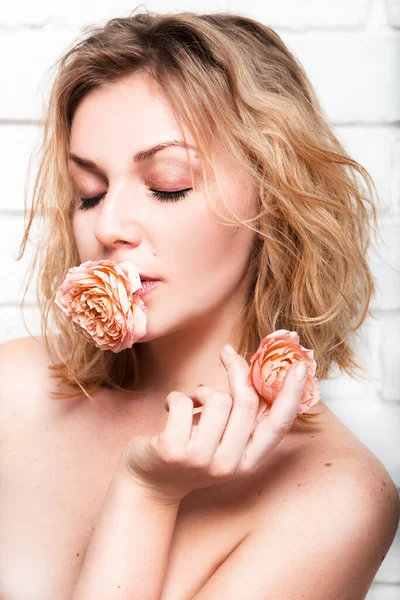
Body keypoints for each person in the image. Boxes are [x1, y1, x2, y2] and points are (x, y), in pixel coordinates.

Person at [0, 8, 398, 600]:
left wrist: (147, 493)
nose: (109, 225)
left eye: (169, 184)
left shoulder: (335, 496)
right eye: (90, 191)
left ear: (275, 197)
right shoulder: (15, 388)